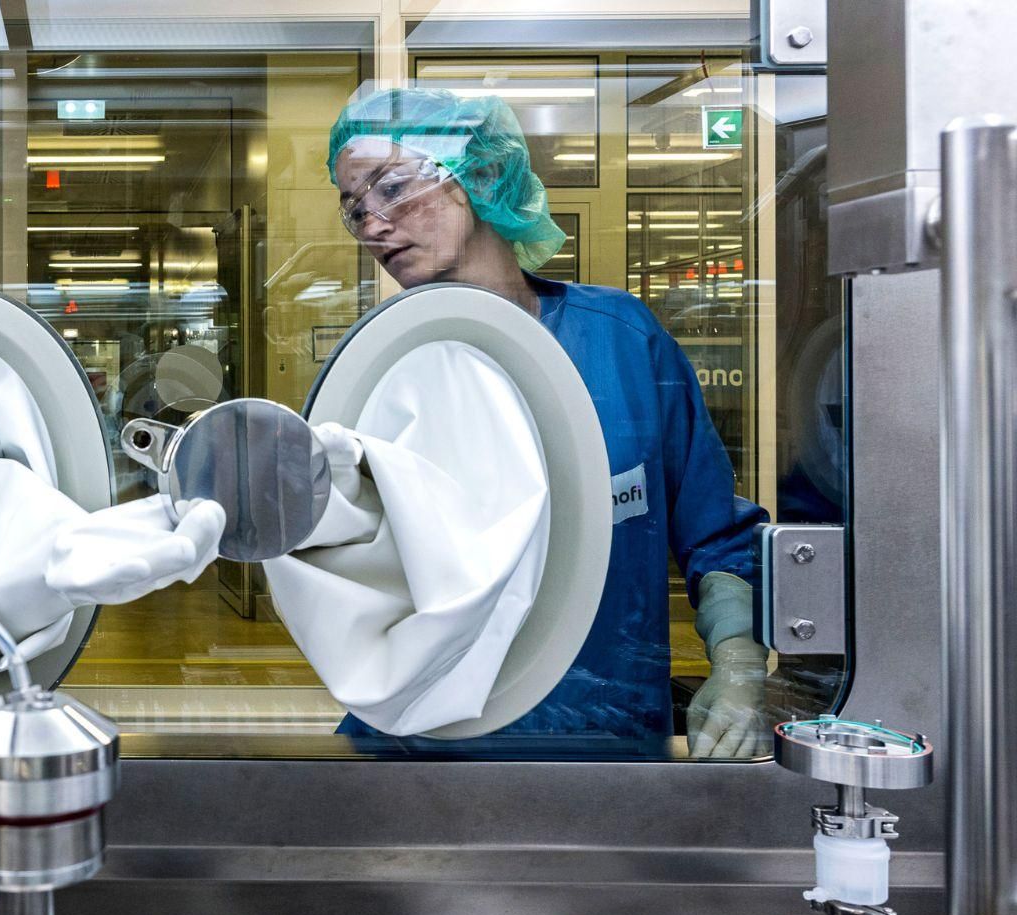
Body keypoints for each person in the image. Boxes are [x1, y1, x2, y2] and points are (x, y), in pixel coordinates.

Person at [324, 88, 769, 756]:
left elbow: (713, 534)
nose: (372, 225)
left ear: (481, 174)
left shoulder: (621, 342)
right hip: (416, 747)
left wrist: (737, 664)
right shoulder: (379, 366)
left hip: (602, 740)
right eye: (355, 207)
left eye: (392, 188)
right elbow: (336, 569)